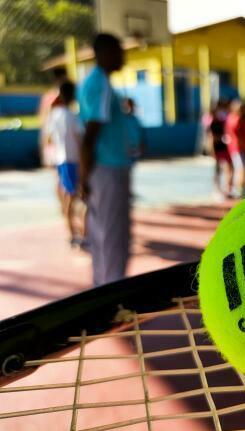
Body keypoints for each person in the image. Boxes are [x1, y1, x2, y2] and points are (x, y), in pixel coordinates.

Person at [78, 33, 131, 286]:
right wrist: (84, 175)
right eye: (118, 50)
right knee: (113, 236)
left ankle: (102, 285)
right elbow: (90, 134)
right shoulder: (100, 84)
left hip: (103, 169)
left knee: (102, 234)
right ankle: (112, 292)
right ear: (103, 53)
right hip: (107, 169)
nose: (123, 56)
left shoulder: (97, 82)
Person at [45, 81, 85, 248]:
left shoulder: (54, 115)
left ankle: (74, 233)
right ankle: (75, 235)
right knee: (75, 197)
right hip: (72, 160)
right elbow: (80, 140)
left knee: (69, 196)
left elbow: (49, 139)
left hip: (62, 161)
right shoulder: (72, 116)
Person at [39, 67, 68, 167]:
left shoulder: (51, 95)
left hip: (57, 136)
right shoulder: (54, 96)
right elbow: (44, 117)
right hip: (54, 136)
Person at [225, 100, 245, 198]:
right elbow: (236, 136)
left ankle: (242, 188)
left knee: (244, 168)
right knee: (240, 169)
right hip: (238, 148)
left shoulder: (242, 119)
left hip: (243, 148)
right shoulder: (235, 119)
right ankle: (239, 189)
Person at [206, 102, 234, 198]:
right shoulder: (213, 123)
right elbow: (211, 138)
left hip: (225, 149)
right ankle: (217, 189)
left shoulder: (224, 121)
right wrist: (212, 151)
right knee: (218, 169)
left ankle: (228, 189)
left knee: (229, 168)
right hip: (218, 149)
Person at [123, 98, 146, 163]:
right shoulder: (121, 121)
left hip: (135, 147)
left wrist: (142, 146)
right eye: (127, 106)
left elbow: (141, 134)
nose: (129, 108)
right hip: (125, 148)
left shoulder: (135, 120)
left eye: (131, 106)